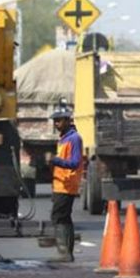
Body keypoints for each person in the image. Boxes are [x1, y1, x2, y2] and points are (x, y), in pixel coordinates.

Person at [49, 105, 83, 262]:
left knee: (59, 217)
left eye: (59, 120)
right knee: (64, 217)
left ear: (68, 121)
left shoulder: (74, 138)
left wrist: (55, 160)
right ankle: (67, 253)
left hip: (67, 184)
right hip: (60, 183)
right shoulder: (63, 138)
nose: (56, 124)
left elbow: (75, 162)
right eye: (55, 121)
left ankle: (64, 252)